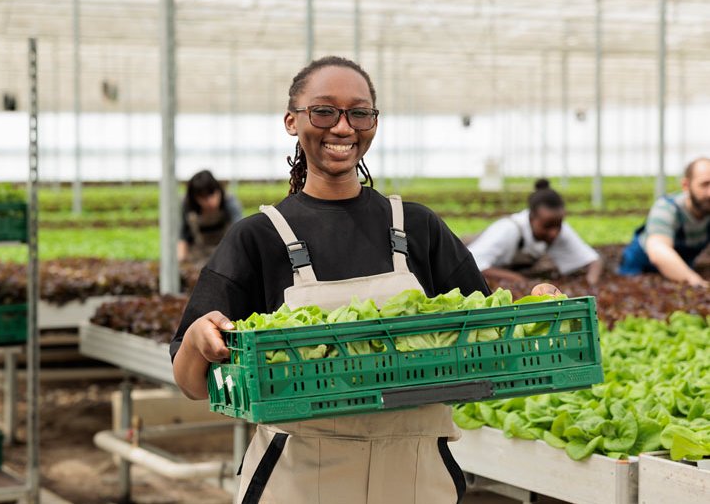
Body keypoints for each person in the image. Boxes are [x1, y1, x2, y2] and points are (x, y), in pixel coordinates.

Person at [169, 56, 561, 503]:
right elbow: (190, 382)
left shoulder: (419, 227)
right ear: (292, 121)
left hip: (416, 479)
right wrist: (200, 339)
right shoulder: (257, 238)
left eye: (359, 113)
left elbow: (487, 341)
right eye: (323, 111)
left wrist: (534, 311)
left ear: (374, 122)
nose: (342, 127)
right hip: (302, 482)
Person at [467, 179, 603, 287]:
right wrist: (517, 279)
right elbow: (472, 265)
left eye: (558, 225)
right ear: (531, 218)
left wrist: (590, 284)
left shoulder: (558, 229)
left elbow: (593, 261)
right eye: (547, 226)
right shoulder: (508, 229)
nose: (554, 233)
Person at [618, 158, 710, 287]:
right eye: (705, 184)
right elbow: (658, 251)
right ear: (686, 185)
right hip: (639, 270)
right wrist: (694, 281)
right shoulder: (667, 209)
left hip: (679, 271)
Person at [177, 169, 242, 267]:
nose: (210, 201)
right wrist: (182, 263)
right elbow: (183, 235)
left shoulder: (229, 201)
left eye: (212, 194)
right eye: (203, 198)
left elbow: (238, 232)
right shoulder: (187, 205)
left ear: (218, 190)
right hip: (198, 257)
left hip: (225, 254)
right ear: (195, 198)